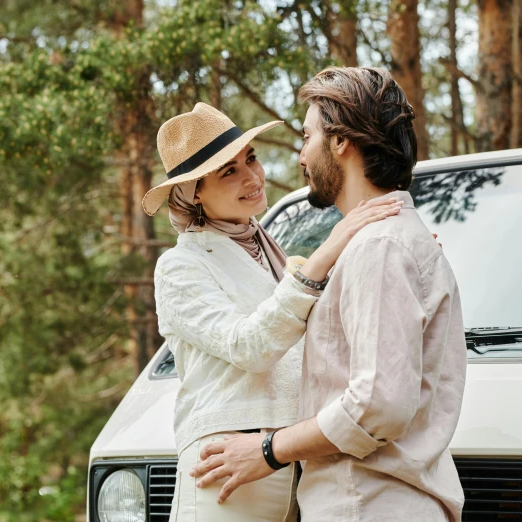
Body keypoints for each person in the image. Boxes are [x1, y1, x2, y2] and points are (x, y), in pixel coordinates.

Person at [190, 67, 467, 521]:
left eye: (307, 136)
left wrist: (268, 450)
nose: (300, 156)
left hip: (367, 505)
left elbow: (379, 403)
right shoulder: (383, 243)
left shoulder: (380, 246)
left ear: (340, 142)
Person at [141, 101, 403, 522]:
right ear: (194, 196)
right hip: (225, 469)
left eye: (251, 159)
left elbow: (316, 323)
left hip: (290, 461)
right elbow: (250, 346)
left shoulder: (266, 249)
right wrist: (327, 251)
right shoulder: (180, 266)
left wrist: (395, 255)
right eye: (228, 171)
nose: (252, 177)